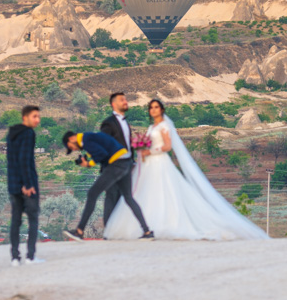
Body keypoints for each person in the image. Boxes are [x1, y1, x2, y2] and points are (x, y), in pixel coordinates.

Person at [104, 99, 268, 241]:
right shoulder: (151, 127)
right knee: (146, 192)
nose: (153, 110)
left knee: (162, 192)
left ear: (161, 110)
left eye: (156, 107)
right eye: (151, 107)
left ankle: (164, 224)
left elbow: (167, 146)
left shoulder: (164, 126)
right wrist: (142, 150)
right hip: (148, 164)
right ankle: (146, 226)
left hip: (160, 162)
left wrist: (150, 151)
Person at [61, 130, 153, 241]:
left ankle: (79, 231)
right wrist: (89, 160)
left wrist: (89, 164)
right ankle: (147, 231)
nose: (74, 149)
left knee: (92, 193)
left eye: (71, 147)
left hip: (116, 164)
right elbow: (104, 153)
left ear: (71, 138)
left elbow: (101, 154)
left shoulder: (86, 139)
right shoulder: (90, 137)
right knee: (128, 197)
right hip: (126, 163)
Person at [7, 105, 43, 266]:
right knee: (33, 219)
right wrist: (27, 184)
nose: (37, 120)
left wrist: (18, 183)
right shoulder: (28, 133)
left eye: (38, 117)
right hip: (28, 183)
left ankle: (15, 257)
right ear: (25, 117)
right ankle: (30, 256)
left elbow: (12, 161)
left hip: (13, 183)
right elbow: (24, 159)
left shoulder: (12, 133)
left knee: (16, 220)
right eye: (34, 116)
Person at [100, 92, 134, 226]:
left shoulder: (126, 123)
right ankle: (108, 230)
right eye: (122, 100)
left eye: (125, 99)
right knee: (111, 197)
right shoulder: (108, 123)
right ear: (114, 104)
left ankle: (119, 229)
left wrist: (132, 162)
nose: (125, 102)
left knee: (122, 200)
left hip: (125, 168)